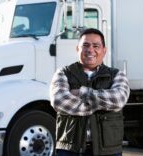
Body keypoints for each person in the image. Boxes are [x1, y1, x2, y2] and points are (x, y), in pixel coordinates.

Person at [50, 28, 130, 156]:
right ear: (78, 49)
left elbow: (118, 99)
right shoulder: (63, 72)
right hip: (70, 149)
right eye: (85, 45)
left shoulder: (117, 75)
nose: (90, 50)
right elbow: (59, 101)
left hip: (108, 150)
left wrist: (82, 92)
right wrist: (100, 104)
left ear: (104, 50)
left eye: (96, 46)